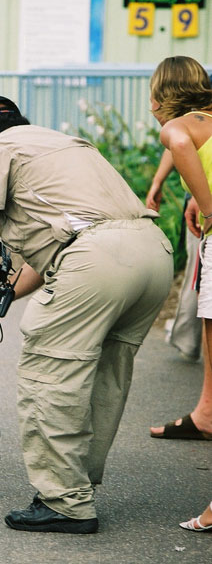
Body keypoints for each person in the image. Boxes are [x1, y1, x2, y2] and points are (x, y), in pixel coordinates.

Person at [0, 94, 173, 533]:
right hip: (152, 253)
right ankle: (76, 485)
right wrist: (1, 294)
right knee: (104, 373)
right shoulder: (67, 144)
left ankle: (65, 502)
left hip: (96, 260)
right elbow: (58, 247)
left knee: (50, 373)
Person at [148, 56, 212, 442]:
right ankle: (206, 414)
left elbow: (179, 139)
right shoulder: (207, 118)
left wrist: (207, 207)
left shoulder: (175, 127)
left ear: (162, 96)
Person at [146, 149, 202, 361]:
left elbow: (177, 141)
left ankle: (187, 339)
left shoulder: (192, 118)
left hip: (202, 201)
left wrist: (158, 182)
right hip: (200, 200)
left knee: (199, 274)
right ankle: (186, 337)